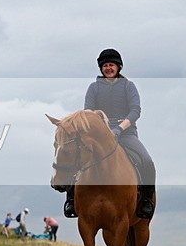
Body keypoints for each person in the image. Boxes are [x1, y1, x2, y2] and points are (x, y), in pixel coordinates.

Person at [63, 49, 156, 220]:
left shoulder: (128, 86)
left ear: (118, 66)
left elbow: (135, 111)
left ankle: (145, 200)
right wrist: (102, 130)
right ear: (101, 68)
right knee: (77, 158)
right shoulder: (94, 87)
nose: (108, 68)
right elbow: (89, 112)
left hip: (127, 133)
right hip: (100, 135)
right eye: (105, 65)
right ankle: (71, 199)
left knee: (147, 161)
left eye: (111, 65)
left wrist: (119, 129)